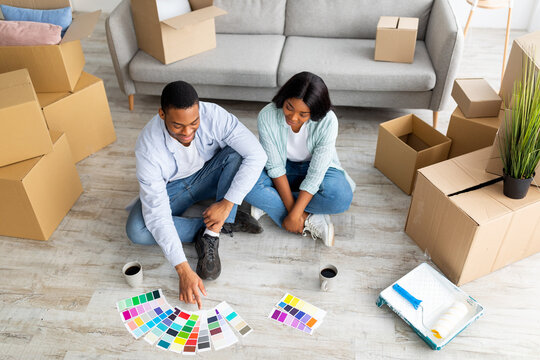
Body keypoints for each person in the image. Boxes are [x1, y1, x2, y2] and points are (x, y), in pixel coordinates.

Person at [126, 81, 267, 309]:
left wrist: (228, 202)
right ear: (162, 114)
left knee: (238, 155)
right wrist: (182, 268)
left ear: (199, 109)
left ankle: (213, 232)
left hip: (210, 175)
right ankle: (225, 222)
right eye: (178, 126)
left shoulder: (215, 115)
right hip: (174, 188)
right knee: (137, 230)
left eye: (194, 123)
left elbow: (257, 155)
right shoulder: (147, 148)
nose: (188, 132)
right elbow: (157, 214)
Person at [245, 72, 355, 246]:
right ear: (284, 98)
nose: (293, 118)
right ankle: (311, 220)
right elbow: (275, 167)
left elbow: (316, 174)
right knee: (246, 185)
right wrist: (294, 213)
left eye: (303, 114)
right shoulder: (267, 115)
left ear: (315, 111)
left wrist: (295, 214)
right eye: (289, 107)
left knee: (340, 198)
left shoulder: (328, 121)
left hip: (318, 169)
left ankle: (269, 202)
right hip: (283, 169)